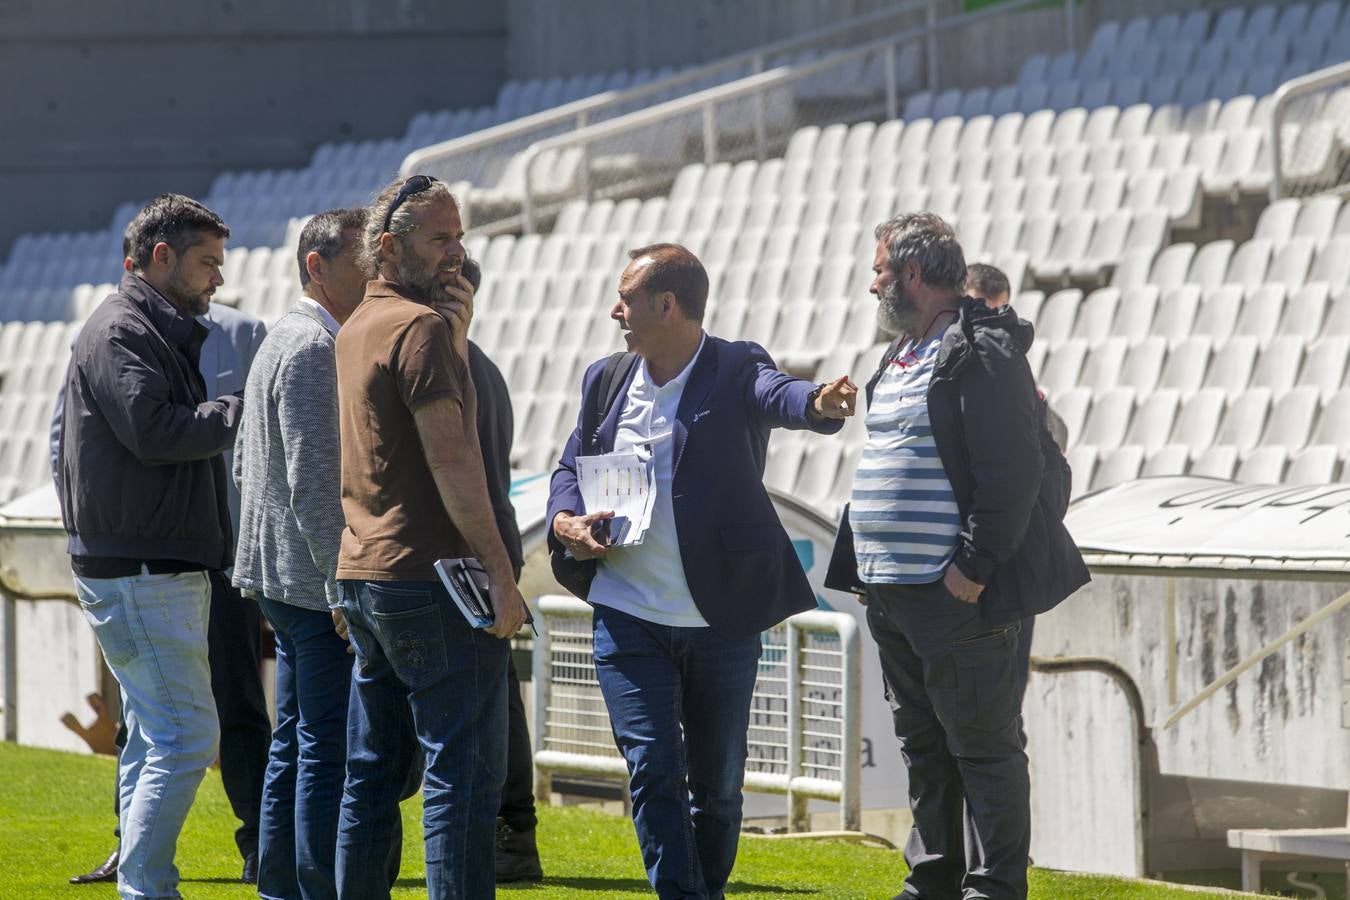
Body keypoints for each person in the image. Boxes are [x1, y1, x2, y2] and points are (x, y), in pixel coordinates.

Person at [547, 243, 856, 899]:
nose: (614, 312)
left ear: (666, 305)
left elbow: (782, 395)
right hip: (627, 612)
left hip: (719, 620)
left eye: (625, 300)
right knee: (654, 769)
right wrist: (564, 520)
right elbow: (570, 466)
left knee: (716, 788)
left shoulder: (734, 363)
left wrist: (820, 405)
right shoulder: (605, 377)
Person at [825, 213, 1089, 900]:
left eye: (880, 269)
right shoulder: (903, 351)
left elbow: (1013, 473)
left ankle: (996, 887)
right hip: (891, 593)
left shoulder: (984, 350)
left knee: (982, 746)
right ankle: (933, 879)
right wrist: (868, 567)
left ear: (913, 274)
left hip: (952, 596)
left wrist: (972, 567)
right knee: (923, 745)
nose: (872, 282)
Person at [54, 237, 272, 887]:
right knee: (172, 731)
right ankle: (139, 862)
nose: (219, 274)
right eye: (207, 260)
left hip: (220, 549)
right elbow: (80, 439)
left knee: (221, 708)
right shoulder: (118, 330)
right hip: (150, 554)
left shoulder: (238, 331)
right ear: (159, 256)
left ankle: (257, 840)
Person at [332, 174, 527, 900]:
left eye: (461, 237)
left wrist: (457, 336)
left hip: (369, 575)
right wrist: (502, 576)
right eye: (440, 239)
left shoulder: (358, 325)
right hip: (431, 579)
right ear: (388, 247)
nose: (456, 253)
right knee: (462, 776)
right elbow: (453, 459)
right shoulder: (416, 330)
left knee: (374, 774)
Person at [232, 208, 369, 900]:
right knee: (326, 749)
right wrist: (341, 585)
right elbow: (315, 484)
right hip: (313, 587)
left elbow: (244, 470)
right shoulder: (316, 347)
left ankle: (282, 884)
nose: (374, 272)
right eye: (361, 260)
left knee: (297, 742)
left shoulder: (283, 336)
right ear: (317, 267)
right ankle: (314, 887)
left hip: (281, 579)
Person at [457, 257, 543, 884]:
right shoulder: (476, 363)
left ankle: (508, 836)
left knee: (490, 703)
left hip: (468, 557)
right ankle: (512, 836)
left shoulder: (458, 365)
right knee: (496, 700)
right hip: (487, 550)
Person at [963, 261, 1068, 454]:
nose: (988, 323)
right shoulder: (937, 356)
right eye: (979, 310)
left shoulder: (1011, 362)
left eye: (998, 313)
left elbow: (1057, 434)